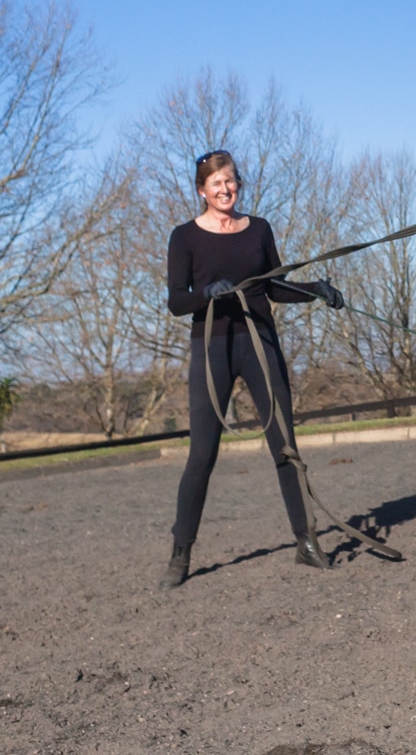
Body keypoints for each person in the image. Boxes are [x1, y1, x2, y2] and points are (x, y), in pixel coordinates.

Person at [160, 149, 343, 589]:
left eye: (230, 180)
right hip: (213, 350)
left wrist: (314, 290)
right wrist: (207, 293)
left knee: (285, 446)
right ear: (201, 190)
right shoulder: (184, 237)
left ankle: (306, 541)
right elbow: (175, 301)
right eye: (215, 183)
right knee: (202, 455)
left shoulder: (258, 229)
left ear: (237, 183)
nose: (225, 189)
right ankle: (180, 554)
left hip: (259, 343)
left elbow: (274, 287)